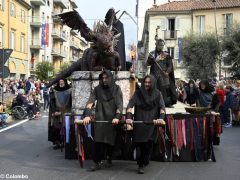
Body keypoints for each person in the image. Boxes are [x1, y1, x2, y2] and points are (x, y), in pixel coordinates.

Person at [81, 70, 123, 171]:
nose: (104, 80)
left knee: (110, 142)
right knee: (98, 142)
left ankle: (109, 158)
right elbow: (90, 101)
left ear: (110, 78)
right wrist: (87, 114)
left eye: (106, 78)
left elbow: (119, 104)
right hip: (100, 119)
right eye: (102, 78)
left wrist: (117, 117)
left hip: (112, 120)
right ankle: (97, 162)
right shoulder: (97, 89)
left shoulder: (116, 88)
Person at [125, 75, 166, 174]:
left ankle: (143, 163)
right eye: (145, 82)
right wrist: (129, 117)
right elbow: (130, 106)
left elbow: (162, 109)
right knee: (139, 146)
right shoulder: (138, 93)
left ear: (152, 83)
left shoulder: (158, 94)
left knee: (148, 147)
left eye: (149, 82)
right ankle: (140, 164)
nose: (147, 84)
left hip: (151, 125)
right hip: (139, 124)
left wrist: (160, 119)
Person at [146, 38, 177, 107]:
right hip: (154, 74)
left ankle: (167, 103)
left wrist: (167, 72)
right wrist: (152, 59)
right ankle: (154, 103)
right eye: (160, 45)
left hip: (164, 75)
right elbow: (148, 64)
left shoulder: (166, 54)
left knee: (166, 90)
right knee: (154, 89)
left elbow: (170, 65)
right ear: (156, 45)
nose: (161, 46)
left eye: (162, 45)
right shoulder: (152, 54)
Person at [48, 79, 72, 153]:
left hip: (67, 111)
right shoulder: (54, 90)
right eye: (60, 82)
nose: (61, 83)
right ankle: (58, 143)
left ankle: (66, 142)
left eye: (62, 82)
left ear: (65, 82)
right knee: (56, 128)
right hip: (57, 112)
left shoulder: (70, 90)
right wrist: (55, 111)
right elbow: (52, 102)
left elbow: (72, 102)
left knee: (67, 127)